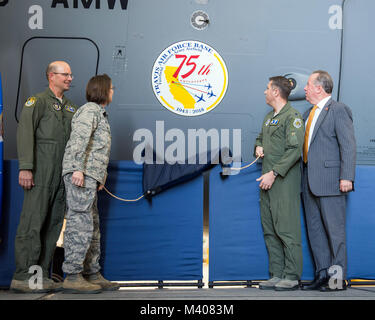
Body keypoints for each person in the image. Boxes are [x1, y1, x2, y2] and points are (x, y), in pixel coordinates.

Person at [10, 61, 77, 293]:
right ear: (51, 76)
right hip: (40, 172)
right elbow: (25, 132)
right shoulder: (36, 102)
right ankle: (22, 276)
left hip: (61, 175)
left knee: (53, 225)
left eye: (70, 74)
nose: (70, 78)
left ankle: (39, 277)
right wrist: (26, 167)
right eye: (65, 74)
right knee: (33, 223)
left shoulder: (70, 108)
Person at [61, 74, 119, 293]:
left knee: (92, 226)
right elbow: (79, 140)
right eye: (111, 88)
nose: (113, 91)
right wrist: (78, 168)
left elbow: (97, 150)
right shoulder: (89, 111)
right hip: (80, 175)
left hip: (89, 177)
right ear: (103, 90)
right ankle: (73, 275)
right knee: (79, 224)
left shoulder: (100, 115)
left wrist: (99, 178)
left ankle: (92, 273)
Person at [301, 70, 356, 292]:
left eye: (307, 85)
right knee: (315, 232)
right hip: (308, 182)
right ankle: (322, 275)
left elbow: (348, 145)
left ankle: (337, 279)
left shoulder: (339, 110)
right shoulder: (308, 113)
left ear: (319, 88)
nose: (304, 88)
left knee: (335, 233)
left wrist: (347, 177)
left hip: (332, 181)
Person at [254, 76, 305, 291]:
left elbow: (295, 150)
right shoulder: (268, 117)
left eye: (267, 89)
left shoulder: (292, 117)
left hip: (282, 181)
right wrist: (258, 146)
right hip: (266, 180)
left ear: (276, 92)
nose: (264, 92)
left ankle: (291, 275)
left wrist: (274, 173)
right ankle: (276, 274)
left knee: (286, 228)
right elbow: (260, 138)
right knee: (270, 229)